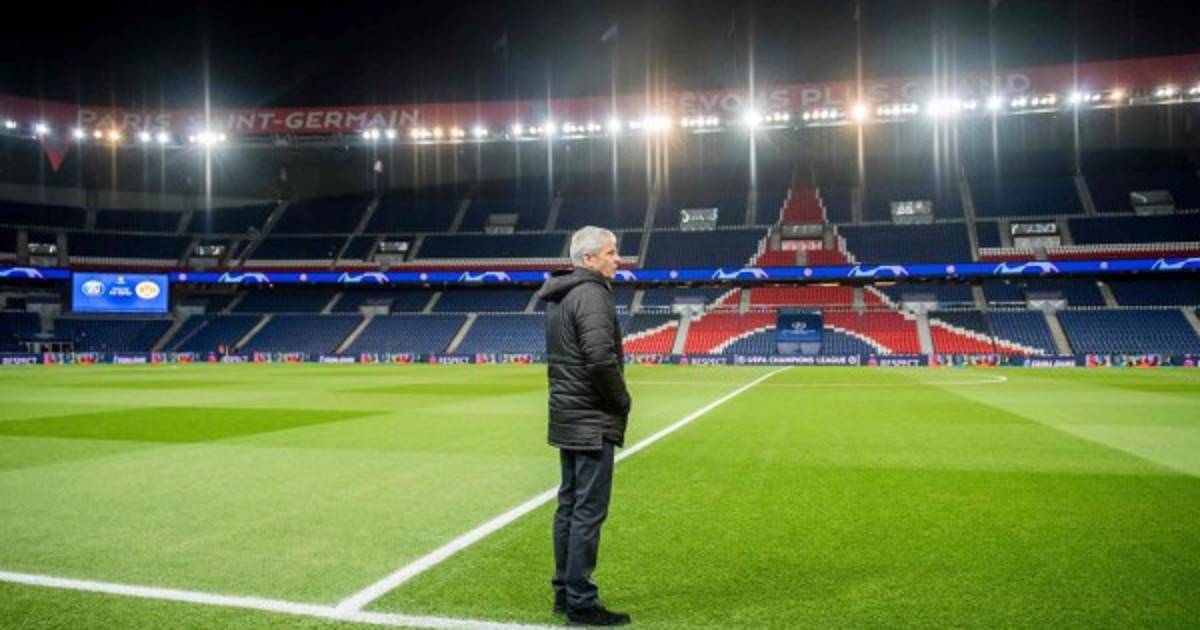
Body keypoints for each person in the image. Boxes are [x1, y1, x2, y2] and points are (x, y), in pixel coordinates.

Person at [537, 226, 632, 627]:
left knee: (570, 506)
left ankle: (564, 592)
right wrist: (622, 401)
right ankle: (581, 602)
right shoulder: (592, 294)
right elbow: (599, 359)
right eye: (611, 252)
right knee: (588, 511)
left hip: (567, 413)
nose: (618, 259)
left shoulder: (560, 294)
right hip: (591, 417)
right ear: (589, 259)